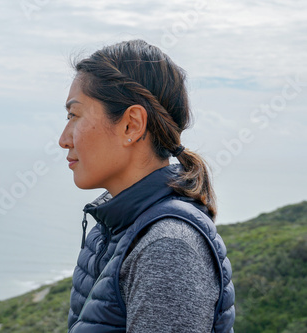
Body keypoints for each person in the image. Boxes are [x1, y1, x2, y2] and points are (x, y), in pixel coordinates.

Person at [59, 40, 235, 333]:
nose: (64, 139)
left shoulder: (168, 247)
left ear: (131, 125)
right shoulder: (108, 230)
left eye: (74, 116)